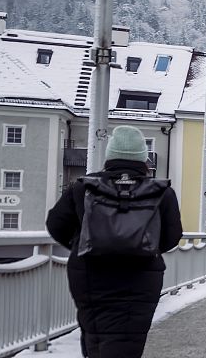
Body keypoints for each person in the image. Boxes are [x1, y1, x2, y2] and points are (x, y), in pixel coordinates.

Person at [46, 126, 183, 358]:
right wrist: (143, 247)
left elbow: (56, 225)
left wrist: (86, 245)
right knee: (129, 337)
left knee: (95, 333)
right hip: (141, 276)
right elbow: (172, 236)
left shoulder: (83, 187)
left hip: (89, 273)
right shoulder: (162, 192)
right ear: (143, 158)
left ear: (110, 155)